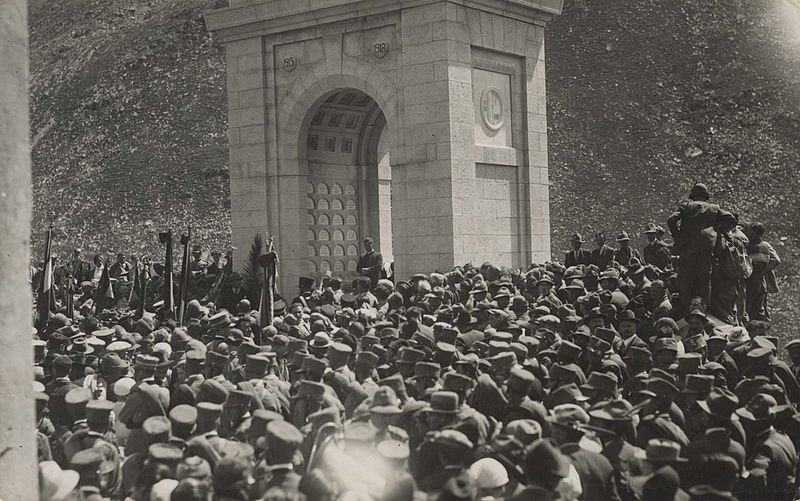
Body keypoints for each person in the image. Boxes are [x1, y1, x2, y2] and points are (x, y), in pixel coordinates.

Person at [667, 183, 729, 315]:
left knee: (685, 279)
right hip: (705, 251)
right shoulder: (714, 208)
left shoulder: (686, 206)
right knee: (705, 280)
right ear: (706, 196)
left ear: (693, 195)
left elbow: (671, 220)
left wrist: (678, 236)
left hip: (687, 250)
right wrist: (718, 231)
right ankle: (705, 309)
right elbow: (730, 218)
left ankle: (686, 309)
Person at [745, 222, 780, 321]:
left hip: (752, 281)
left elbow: (776, 261)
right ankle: (760, 331)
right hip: (761, 282)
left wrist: (759, 272)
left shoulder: (752, 246)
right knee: (759, 309)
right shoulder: (764, 247)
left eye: (749, 230)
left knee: (748, 308)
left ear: (752, 231)